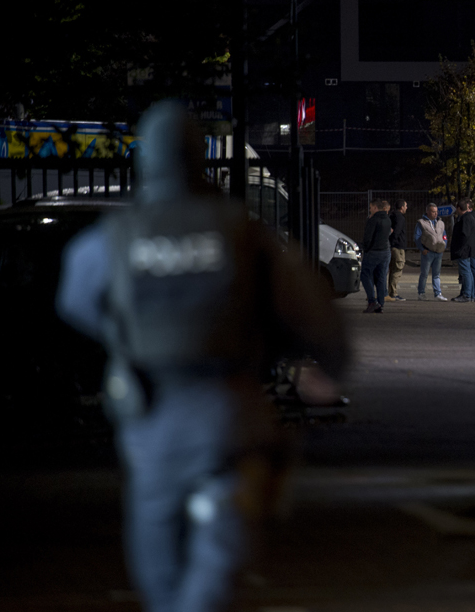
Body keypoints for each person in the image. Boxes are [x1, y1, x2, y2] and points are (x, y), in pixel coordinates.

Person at [55, 100, 351, 612]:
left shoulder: (118, 236)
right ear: (197, 158)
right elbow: (317, 318)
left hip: (152, 419)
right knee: (220, 560)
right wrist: (326, 367)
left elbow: (73, 297)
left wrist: (122, 337)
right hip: (229, 413)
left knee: (158, 566)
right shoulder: (241, 232)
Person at [360, 199, 392, 313]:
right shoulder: (387, 219)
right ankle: (380, 303)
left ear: (375, 208)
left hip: (373, 252)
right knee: (381, 277)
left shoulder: (373, 220)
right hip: (385, 251)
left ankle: (372, 301)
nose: (370, 210)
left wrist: (365, 248)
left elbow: (368, 237)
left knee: (365, 275)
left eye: (370, 207)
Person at [414, 203, 449, 301]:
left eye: (436, 211)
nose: (436, 214)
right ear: (428, 212)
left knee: (436, 274)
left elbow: (444, 235)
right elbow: (417, 238)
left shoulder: (440, 222)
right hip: (427, 252)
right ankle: (421, 293)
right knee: (424, 274)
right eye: (433, 212)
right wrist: (422, 249)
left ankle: (438, 293)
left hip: (439, 252)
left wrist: (444, 245)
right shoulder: (421, 223)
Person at [449, 198, 475, 302]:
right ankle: (468, 294)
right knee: (468, 272)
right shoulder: (471, 217)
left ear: (458, 208)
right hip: (469, 249)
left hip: (463, 249)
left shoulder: (464, 218)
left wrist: (458, 246)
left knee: (465, 272)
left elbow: (463, 234)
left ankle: (466, 294)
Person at [386, 199, 408, 301]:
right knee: (397, 270)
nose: (406, 208)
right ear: (402, 207)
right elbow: (397, 232)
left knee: (390, 270)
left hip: (392, 246)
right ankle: (393, 293)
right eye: (406, 206)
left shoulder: (391, 216)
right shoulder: (400, 218)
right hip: (397, 247)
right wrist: (394, 243)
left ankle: (388, 292)